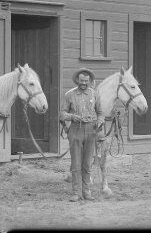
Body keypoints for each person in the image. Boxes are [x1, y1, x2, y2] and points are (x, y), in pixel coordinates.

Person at [59, 68, 104, 202]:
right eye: (81, 80)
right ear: (77, 80)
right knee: (76, 163)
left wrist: (100, 121)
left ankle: (86, 192)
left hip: (91, 130)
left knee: (87, 164)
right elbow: (62, 114)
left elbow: (101, 112)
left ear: (90, 81)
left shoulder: (95, 94)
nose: (84, 82)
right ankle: (76, 193)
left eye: (86, 80)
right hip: (75, 130)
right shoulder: (69, 95)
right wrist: (72, 116)